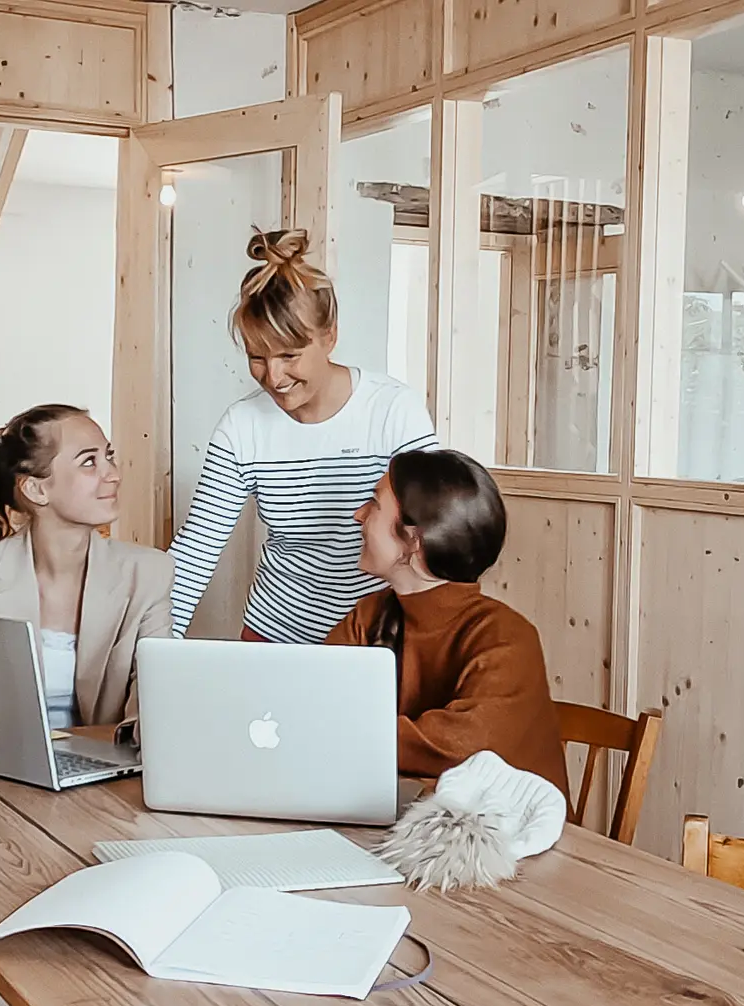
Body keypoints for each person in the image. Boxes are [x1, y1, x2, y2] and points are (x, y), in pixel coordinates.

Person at [168, 228, 438, 644]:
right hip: (273, 633)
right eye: (257, 357)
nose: (273, 377)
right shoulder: (241, 427)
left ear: (329, 336)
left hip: (378, 635)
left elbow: (434, 530)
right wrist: (152, 649)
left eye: (289, 355)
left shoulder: (393, 411)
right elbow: (196, 551)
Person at [0, 404, 173, 729]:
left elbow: (155, 695)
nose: (113, 473)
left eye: (109, 456)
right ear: (37, 489)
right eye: (89, 461)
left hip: (107, 765)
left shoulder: (148, 573)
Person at [325, 448, 569, 797]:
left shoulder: (508, 638)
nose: (357, 514)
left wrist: (333, 732)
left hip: (502, 840)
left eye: (374, 505)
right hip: (400, 819)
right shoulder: (370, 614)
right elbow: (315, 701)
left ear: (413, 540)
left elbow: (459, 744)